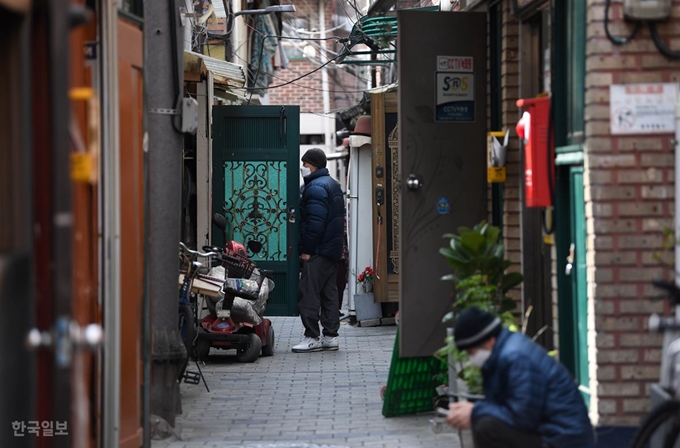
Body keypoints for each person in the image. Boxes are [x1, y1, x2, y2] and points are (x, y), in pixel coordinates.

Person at [446, 306, 595, 448]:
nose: (471, 358)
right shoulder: (504, 354)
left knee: (487, 427)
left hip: (563, 440)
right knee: (484, 422)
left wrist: (475, 411)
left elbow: (523, 417)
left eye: (471, 352)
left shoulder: (516, 358)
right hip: (554, 433)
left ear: (489, 341)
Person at [292, 148, 345, 353]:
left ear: (313, 165)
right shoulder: (333, 184)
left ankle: (311, 336)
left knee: (309, 293)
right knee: (329, 294)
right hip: (331, 250)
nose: (303, 168)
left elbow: (315, 223)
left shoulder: (315, 187)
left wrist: (307, 250)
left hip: (317, 251)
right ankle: (330, 337)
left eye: (305, 165)